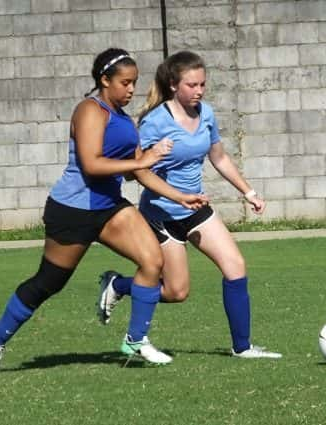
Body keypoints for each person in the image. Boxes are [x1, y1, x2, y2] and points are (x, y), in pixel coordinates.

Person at [0, 48, 207, 375]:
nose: (131, 90)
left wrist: (180, 196)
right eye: (125, 83)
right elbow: (91, 163)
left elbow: (138, 172)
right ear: (104, 80)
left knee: (152, 260)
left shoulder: (126, 122)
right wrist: (142, 160)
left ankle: (136, 339)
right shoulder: (89, 110)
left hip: (109, 207)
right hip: (72, 210)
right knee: (48, 283)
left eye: (134, 83)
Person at [96, 51, 281, 359]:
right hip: (161, 216)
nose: (199, 91)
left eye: (202, 84)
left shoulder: (205, 114)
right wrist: (167, 180)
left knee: (235, 266)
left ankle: (243, 347)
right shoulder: (154, 122)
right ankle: (119, 285)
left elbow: (218, 157)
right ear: (173, 85)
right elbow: (137, 173)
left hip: (196, 210)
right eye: (192, 85)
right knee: (176, 292)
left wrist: (247, 192)